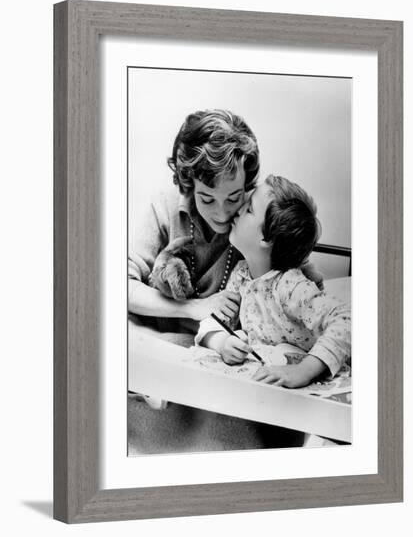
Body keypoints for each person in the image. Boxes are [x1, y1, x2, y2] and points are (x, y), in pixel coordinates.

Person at [196, 175, 351, 388]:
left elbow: (347, 320)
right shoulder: (241, 276)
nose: (238, 209)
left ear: (266, 239)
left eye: (249, 209)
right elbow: (214, 320)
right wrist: (222, 342)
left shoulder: (289, 286)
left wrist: (304, 370)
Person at [128, 109, 260, 342]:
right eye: (207, 199)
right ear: (188, 185)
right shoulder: (165, 203)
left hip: (217, 346)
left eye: (233, 198)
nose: (222, 214)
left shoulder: (259, 212)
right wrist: (192, 307)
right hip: (156, 337)